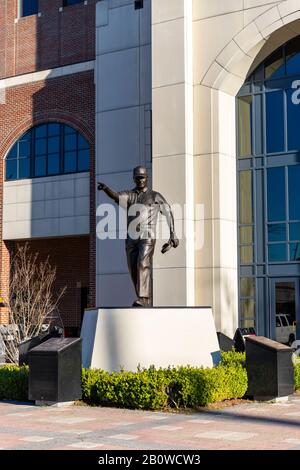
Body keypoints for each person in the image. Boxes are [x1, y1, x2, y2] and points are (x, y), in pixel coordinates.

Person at [98, 166, 179, 307]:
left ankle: (143, 297)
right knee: (133, 269)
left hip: (147, 236)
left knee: (143, 263)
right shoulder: (130, 195)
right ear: (133, 178)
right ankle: (144, 300)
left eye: (142, 177)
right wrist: (106, 189)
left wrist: (173, 234)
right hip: (131, 239)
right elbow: (116, 196)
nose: (140, 180)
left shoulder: (154, 196)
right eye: (137, 177)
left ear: (147, 178)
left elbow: (168, 212)